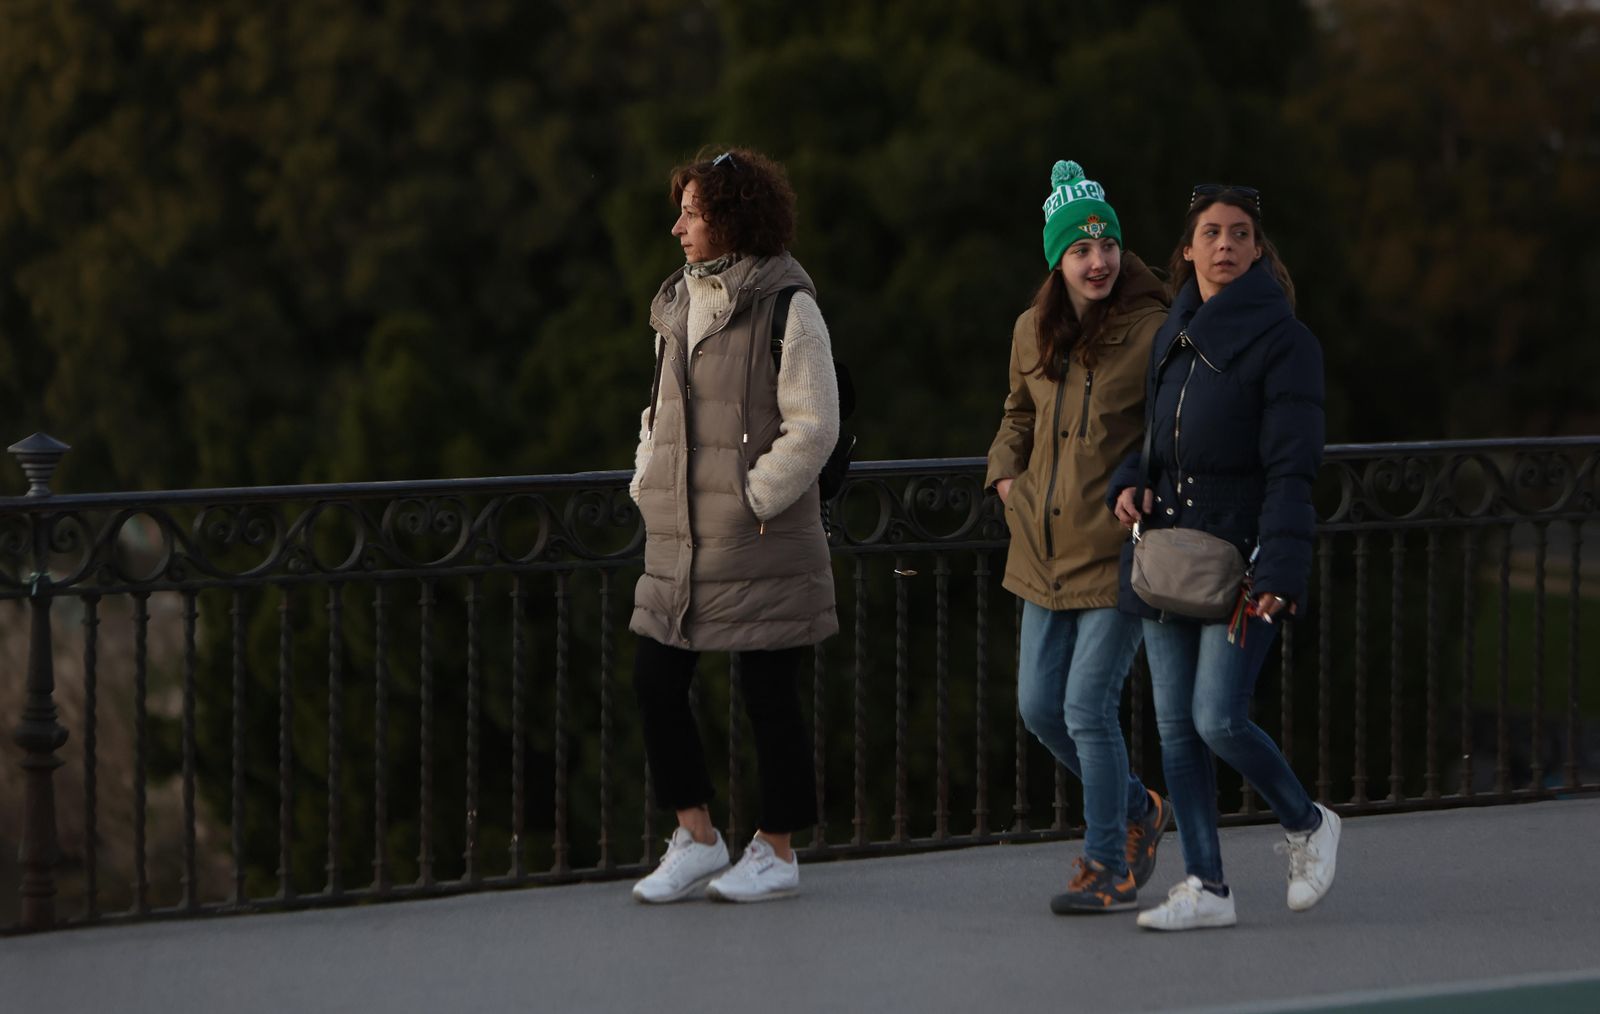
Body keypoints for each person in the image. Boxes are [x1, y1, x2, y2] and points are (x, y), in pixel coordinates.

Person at [1109, 184, 1340, 931]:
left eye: (1241, 234)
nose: (1226, 246)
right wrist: (1129, 486)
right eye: (1211, 233)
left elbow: (1294, 465)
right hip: (1169, 551)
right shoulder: (1172, 333)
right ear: (1187, 249)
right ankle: (1206, 886)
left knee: (1217, 717)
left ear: (1258, 249)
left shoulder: (1286, 341)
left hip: (1243, 556)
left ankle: (1308, 824)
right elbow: (1153, 444)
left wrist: (1281, 565)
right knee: (1175, 726)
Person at [627, 147, 839, 904]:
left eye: (694, 210)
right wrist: (645, 477)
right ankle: (697, 835)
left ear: (732, 216)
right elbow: (659, 408)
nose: (678, 224)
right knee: (656, 677)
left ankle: (777, 849)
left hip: (756, 533)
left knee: (767, 692)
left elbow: (816, 426)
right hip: (679, 533)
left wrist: (750, 498)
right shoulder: (679, 301)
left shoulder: (789, 303)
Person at [985, 160, 1173, 914]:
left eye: (1107, 245)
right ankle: (1139, 809)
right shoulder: (1032, 330)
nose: (1098, 261)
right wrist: (1006, 476)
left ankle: (1107, 866)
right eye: (1080, 248)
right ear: (1056, 259)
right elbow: (1016, 415)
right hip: (1040, 546)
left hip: (1122, 548)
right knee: (1038, 707)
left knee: (1087, 706)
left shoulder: (1155, 329)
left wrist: (1151, 480)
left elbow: (1174, 428)